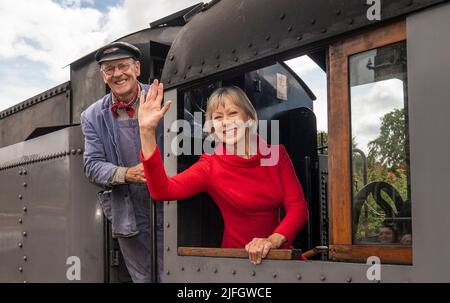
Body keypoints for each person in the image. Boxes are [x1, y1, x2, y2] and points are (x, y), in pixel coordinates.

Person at [138, 81, 309, 265]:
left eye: (233, 113)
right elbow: (162, 191)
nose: (226, 122)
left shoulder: (277, 155)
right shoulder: (210, 166)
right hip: (237, 261)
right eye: (218, 117)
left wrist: (271, 241)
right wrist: (147, 132)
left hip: (278, 253)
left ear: (249, 117)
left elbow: (298, 208)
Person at [80, 42, 163, 282]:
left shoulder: (161, 96)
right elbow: (92, 165)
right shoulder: (92, 116)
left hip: (169, 206)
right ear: (103, 75)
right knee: (143, 278)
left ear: (137, 68)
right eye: (109, 69)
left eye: (123, 66)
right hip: (128, 212)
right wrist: (126, 174)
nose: (117, 74)